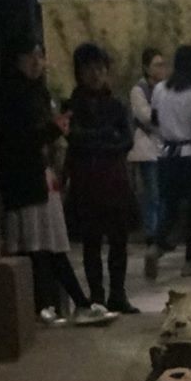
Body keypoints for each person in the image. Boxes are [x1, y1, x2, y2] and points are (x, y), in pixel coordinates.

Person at [0, 33, 98, 327]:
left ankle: (78, 303)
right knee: (34, 244)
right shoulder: (7, 94)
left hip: (42, 176)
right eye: (32, 56)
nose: (38, 62)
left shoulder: (37, 91)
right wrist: (52, 130)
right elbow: (17, 139)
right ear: (17, 59)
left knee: (51, 243)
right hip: (22, 179)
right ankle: (47, 305)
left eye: (40, 56)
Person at [62, 42, 140, 315]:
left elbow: (127, 140)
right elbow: (75, 139)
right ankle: (97, 295)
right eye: (89, 69)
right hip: (86, 183)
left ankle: (118, 293)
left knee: (119, 240)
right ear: (79, 72)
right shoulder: (72, 105)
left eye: (100, 69)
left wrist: (97, 141)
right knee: (91, 242)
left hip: (115, 181)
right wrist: (107, 136)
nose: (95, 74)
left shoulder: (116, 105)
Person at [145, 43, 191, 280]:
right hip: (187, 157)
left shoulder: (160, 90)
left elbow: (154, 121)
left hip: (165, 156)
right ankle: (189, 261)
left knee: (169, 207)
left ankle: (156, 246)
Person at [128, 46, 166, 245]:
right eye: (156, 65)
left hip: (163, 146)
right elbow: (145, 116)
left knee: (162, 192)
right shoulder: (139, 90)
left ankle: (161, 231)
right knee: (152, 192)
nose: (161, 69)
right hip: (147, 146)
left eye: (162, 65)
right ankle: (152, 232)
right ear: (146, 67)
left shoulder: (164, 88)